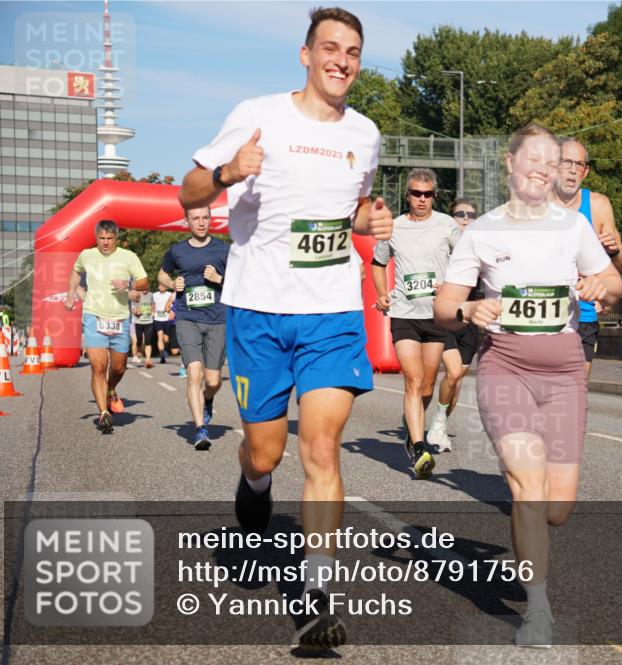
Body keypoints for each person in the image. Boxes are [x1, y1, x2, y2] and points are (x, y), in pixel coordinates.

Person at [178, 6, 391, 652]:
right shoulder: (259, 115)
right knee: (267, 451)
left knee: (322, 449)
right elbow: (188, 191)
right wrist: (228, 173)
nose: (341, 61)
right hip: (258, 312)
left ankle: (317, 594)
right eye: (330, 48)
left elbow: (353, 208)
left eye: (352, 52)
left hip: (332, 313)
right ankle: (254, 482)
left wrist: (371, 221)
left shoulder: (365, 133)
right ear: (306, 54)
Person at [435, 124, 622, 648]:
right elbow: (444, 306)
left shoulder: (573, 226)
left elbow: (614, 282)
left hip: (564, 372)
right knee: (528, 488)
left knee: (556, 508)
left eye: (550, 160)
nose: (542, 168)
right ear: (511, 164)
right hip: (506, 366)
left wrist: (602, 286)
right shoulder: (482, 231)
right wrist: (468, 309)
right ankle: (537, 610)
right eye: (532, 159)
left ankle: (531, 533)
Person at [371, 168, 459, 477]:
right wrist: (382, 294)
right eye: (416, 194)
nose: (422, 199)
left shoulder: (447, 225)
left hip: (435, 316)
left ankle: (413, 426)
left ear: (435, 195)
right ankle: (420, 446)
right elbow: (378, 263)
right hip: (404, 314)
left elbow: (465, 261)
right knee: (413, 379)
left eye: (428, 194)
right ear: (407, 195)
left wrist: (451, 286)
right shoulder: (394, 228)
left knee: (426, 385)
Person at [549, 137, 622, 377]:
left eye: (579, 164)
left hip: (583, 313)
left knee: (576, 390)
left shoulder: (597, 205)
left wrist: (614, 250)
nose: (573, 170)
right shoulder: (534, 204)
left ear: (586, 171)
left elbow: (621, 265)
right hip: (544, 313)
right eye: (567, 162)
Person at [65, 220, 149, 434]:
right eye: (101, 238)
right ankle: (104, 413)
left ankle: (111, 388)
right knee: (98, 367)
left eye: (109, 239)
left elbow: (145, 283)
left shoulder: (128, 257)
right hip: (93, 316)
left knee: (119, 367)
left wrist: (128, 284)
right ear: (96, 238)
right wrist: (70, 295)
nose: (105, 242)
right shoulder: (86, 255)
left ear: (116, 238)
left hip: (120, 319)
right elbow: (75, 272)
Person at [158, 206, 230, 450]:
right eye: (196, 218)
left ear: (211, 220)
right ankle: (200, 429)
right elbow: (162, 275)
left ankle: (208, 398)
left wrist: (219, 279)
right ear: (187, 221)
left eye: (205, 218)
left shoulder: (223, 250)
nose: (201, 223)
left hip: (217, 318)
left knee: (213, 381)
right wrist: (173, 283)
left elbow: (242, 280)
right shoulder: (177, 251)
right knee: (194, 373)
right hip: (187, 317)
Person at [427, 198, 480, 451]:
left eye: (471, 214)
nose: (466, 218)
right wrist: (436, 287)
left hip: (469, 322)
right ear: (451, 218)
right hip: (446, 318)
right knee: (453, 372)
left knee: (456, 381)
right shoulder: (442, 246)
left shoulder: (482, 248)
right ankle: (432, 420)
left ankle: (440, 423)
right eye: (461, 214)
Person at [151, 283, 175, 364]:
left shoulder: (170, 294)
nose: (162, 287)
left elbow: (173, 305)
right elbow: (152, 305)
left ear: (166, 287)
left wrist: (171, 312)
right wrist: (152, 311)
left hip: (167, 319)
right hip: (157, 319)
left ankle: (165, 350)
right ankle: (162, 355)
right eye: (160, 285)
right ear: (158, 286)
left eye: (164, 285)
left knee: (166, 339)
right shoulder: (154, 295)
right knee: (160, 336)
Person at [131, 289, 155, 368]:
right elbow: (132, 308)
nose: (145, 289)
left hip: (149, 321)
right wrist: (136, 312)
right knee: (139, 341)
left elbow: (153, 305)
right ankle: (138, 352)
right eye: (143, 288)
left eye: (146, 287)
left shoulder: (151, 295)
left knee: (148, 341)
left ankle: (148, 359)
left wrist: (153, 311)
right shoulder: (136, 294)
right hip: (139, 322)